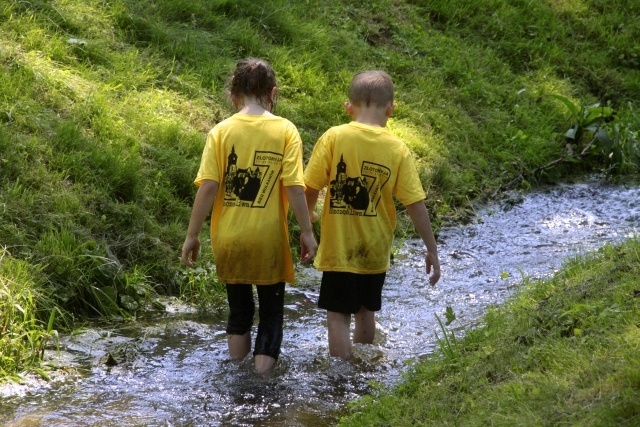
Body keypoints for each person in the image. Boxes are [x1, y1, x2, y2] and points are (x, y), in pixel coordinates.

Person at [181, 58, 317, 373]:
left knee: (239, 311)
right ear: (273, 93)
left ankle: (235, 375)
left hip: (229, 238)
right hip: (268, 238)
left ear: (233, 95)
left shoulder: (221, 131)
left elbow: (208, 187)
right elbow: (295, 186)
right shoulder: (285, 130)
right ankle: (260, 383)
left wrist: (191, 236)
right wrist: (307, 232)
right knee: (271, 313)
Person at [304, 70, 441, 359]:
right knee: (367, 310)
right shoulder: (397, 149)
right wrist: (431, 248)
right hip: (375, 249)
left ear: (348, 107)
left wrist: (306, 222)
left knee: (338, 313)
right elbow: (415, 203)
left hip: (340, 247)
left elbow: (311, 186)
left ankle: (341, 377)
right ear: (391, 109)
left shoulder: (333, 137)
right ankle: (365, 365)